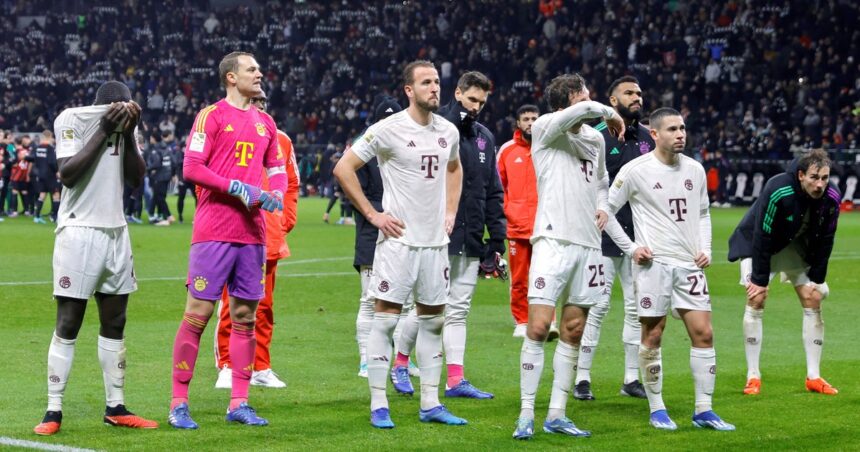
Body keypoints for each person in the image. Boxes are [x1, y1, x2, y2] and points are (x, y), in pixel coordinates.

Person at [333, 60, 465, 429]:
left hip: (435, 244)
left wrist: (451, 210)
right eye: (426, 83)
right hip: (398, 244)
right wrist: (374, 215)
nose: (434, 88)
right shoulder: (387, 129)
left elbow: (455, 169)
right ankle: (378, 404)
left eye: (437, 81)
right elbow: (344, 168)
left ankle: (431, 403)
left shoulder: (448, 131)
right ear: (409, 90)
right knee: (386, 322)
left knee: (433, 322)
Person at [168, 51, 286, 430]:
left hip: (252, 235)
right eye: (252, 69)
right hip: (213, 231)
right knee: (198, 315)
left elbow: (278, 168)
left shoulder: (266, 122)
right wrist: (236, 186)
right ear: (231, 77)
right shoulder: (211, 115)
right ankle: (178, 402)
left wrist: (278, 194)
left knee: (245, 317)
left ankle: (239, 401)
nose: (259, 73)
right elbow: (191, 168)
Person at [33, 81, 157, 436]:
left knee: (115, 322)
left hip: (117, 233)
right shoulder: (72, 119)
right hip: (79, 232)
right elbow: (68, 175)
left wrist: (128, 133)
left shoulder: (129, 128)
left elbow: (135, 177)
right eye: (117, 108)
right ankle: (53, 409)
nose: (121, 112)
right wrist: (104, 131)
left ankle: (115, 406)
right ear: (102, 107)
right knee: (69, 322)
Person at [604, 107, 734, 431]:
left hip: (689, 266)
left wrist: (705, 248)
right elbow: (605, 212)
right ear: (655, 134)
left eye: (683, 128)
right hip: (654, 266)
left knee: (704, 333)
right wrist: (632, 248)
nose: (680, 134)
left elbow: (703, 214)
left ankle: (704, 409)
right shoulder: (635, 171)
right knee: (654, 334)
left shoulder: (695, 170)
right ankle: (657, 408)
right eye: (673, 129)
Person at [513, 73, 625, 440]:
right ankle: (527, 411)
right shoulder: (546, 127)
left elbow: (602, 181)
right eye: (585, 95)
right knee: (540, 326)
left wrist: (603, 207)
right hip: (553, 240)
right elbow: (585, 111)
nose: (590, 101)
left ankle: (557, 413)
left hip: (589, 245)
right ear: (570, 99)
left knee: (574, 329)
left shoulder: (593, 139)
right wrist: (607, 110)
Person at [390, 71, 505, 400]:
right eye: (472, 99)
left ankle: (455, 379)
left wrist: (496, 240)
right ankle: (400, 363)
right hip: (437, 233)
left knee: (458, 310)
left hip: (471, 238)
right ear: (457, 93)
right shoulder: (436, 129)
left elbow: (493, 190)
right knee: (429, 306)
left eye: (482, 102)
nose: (477, 107)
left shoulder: (484, 137)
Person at [728, 149, 841, 396]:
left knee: (813, 298)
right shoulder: (778, 188)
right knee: (756, 297)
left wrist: (818, 279)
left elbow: (827, 238)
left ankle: (814, 376)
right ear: (801, 175)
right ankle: (753, 376)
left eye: (824, 177)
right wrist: (758, 280)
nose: (820, 184)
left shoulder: (832, 196)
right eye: (814, 177)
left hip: (795, 247)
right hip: (760, 246)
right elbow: (762, 233)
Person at [574, 76, 653, 401]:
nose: (637, 97)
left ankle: (631, 377)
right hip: (602, 237)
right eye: (629, 93)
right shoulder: (596, 138)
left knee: (637, 308)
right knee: (598, 305)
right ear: (612, 100)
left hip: (640, 238)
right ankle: (581, 377)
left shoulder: (649, 137)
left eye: (639, 93)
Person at [214, 92, 299, 390]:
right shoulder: (225, 128)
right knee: (232, 304)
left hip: (270, 234)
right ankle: (227, 365)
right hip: (233, 229)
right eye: (254, 100)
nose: (258, 104)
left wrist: (284, 221)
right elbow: (207, 177)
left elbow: (291, 184)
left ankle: (260, 366)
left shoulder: (282, 139)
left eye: (262, 100)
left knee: (264, 307)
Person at [350, 95, 415, 379]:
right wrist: (379, 215)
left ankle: (402, 361)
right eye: (384, 119)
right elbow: (355, 190)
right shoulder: (363, 149)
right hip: (371, 230)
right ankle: (366, 359)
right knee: (369, 298)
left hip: (403, 230)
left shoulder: (409, 147)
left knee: (405, 300)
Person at [498, 104, 559, 339]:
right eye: (526, 119)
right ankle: (522, 320)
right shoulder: (507, 151)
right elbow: (498, 186)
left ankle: (549, 320)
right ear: (518, 123)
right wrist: (508, 211)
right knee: (521, 278)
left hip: (546, 226)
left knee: (547, 276)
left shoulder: (550, 149)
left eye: (535, 118)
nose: (531, 122)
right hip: (517, 227)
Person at [31, 130, 60, 224]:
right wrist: (57, 170)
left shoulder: (37, 148)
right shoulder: (50, 148)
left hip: (40, 174)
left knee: (42, 195)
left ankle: (37, 216)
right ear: (49, 137)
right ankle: (55, 217)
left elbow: (34, 159)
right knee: (56, 195)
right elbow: (52, 162)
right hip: (50, 175)